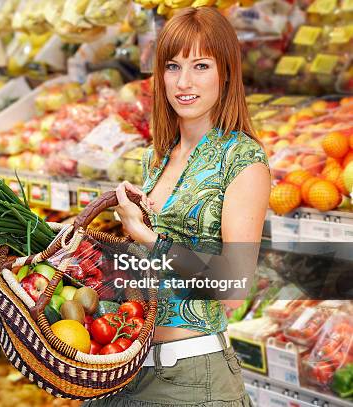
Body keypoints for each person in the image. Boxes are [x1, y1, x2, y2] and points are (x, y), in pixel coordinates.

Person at [88, 7, 271, 406]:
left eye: (200, 65)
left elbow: (232, 288)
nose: (184, 82)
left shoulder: (242, 160)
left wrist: (147, 236)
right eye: (173, 66)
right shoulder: (157, 158)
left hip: (191, 377)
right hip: (126, 367)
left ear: (226, 73)